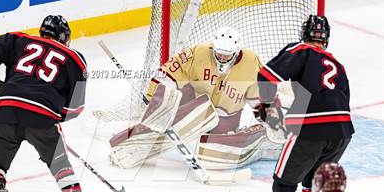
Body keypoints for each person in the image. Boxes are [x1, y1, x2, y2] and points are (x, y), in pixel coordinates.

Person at [0, 15, 104, 192]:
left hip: (6, 108)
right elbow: (75, 107)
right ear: (64, 37)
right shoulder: (75, 59)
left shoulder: (19, 41)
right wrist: (55, 116)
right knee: (60, 166)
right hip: (41, 118)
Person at [109, 26, 283, 170]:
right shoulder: (198, 52)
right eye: (219, 53)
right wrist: (156, 98)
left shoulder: (251, 62)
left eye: (227, 55)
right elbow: (170, 69)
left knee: (210, 151)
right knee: (175, 110)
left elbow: (259, 95)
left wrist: (268, 118)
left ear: (236, 52)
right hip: (194, 104)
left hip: (226, 116)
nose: (222, 58)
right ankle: (133, 139)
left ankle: (252, 141)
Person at [257, 15, 355, 192]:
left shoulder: (300, 50)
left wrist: (267, 107)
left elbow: (265, 75)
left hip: (312, 129)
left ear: (305, 33)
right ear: (326, 38)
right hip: (342, 132)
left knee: (283, 184)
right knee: (311, 183)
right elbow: (340, 100)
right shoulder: (338, 65)